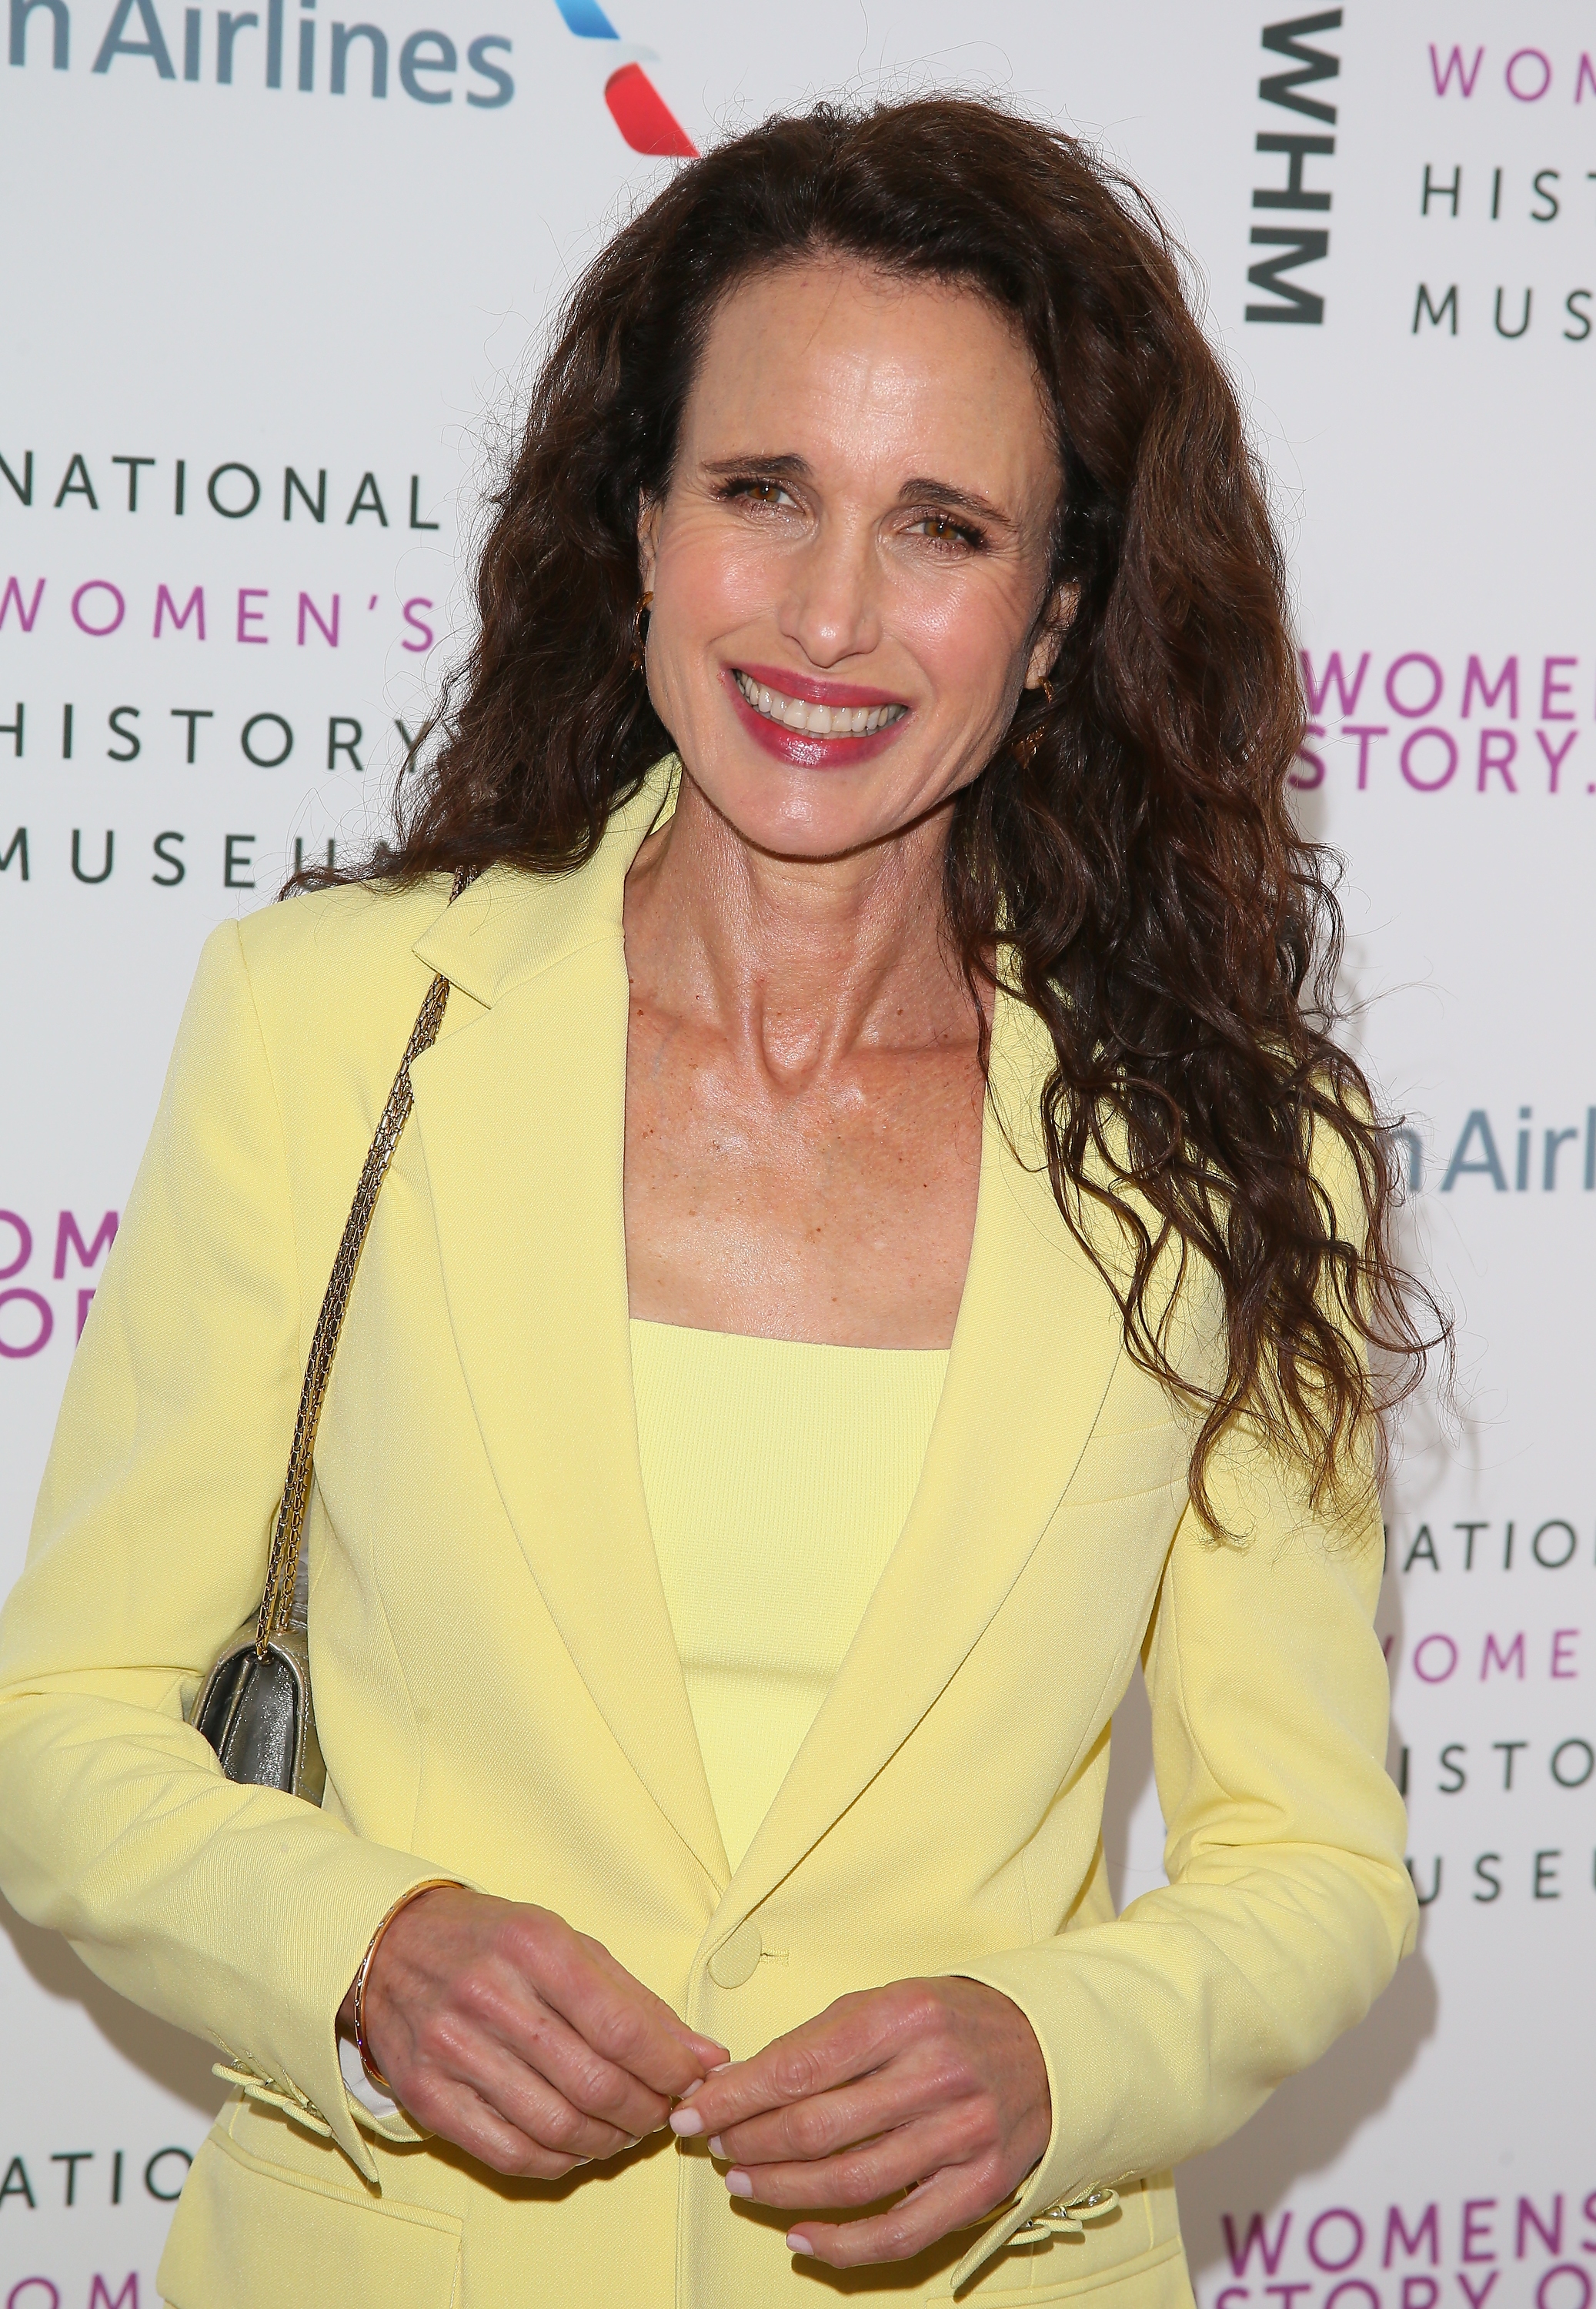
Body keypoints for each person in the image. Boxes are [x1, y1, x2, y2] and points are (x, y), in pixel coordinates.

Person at [0, 95, 1435, 2309]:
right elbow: (63, 1719)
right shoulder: (341, 1024)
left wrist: (1058, 2059)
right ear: (641, 524)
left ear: (1053, 620)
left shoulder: (1225, 1149)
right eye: (763, 491)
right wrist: (358, 1945)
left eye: (940, 526)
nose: (830, 617)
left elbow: (1316, 1864)